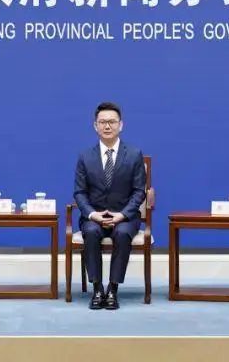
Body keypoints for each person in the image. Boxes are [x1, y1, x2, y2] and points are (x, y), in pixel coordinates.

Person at [73, 101, 146, 310]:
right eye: (102, 122)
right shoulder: (85, 156)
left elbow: (139, 191)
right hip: (95, 216)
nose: (107, 126)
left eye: (112, 122)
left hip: (125, 217)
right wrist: (92, 214)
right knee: (91, 232)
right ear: (95, 126)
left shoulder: (134, 154)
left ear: (120, 125)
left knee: (122, 234)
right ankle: (97, 289)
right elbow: (79, 192)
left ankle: (113, 289)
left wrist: (122, 215)